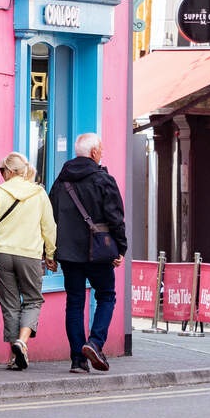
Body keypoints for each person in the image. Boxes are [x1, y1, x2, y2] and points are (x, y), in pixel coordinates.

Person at [50, 132, 128, 373]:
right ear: (94, 153)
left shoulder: (61, 181)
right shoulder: (103, 180)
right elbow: (116, 218)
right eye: (101, 149)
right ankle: (94, 342)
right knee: (106, 296)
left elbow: (51, 216)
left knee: (74, 303)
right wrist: (120, 247)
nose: (102, 152)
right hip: (98, 252)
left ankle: (77, 360)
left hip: (68, 252)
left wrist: (51, 250)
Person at [0, 152, 56, 370]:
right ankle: (22, 342)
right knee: (33, 300)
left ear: (10, 172)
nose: (2, 174)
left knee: (10, 304)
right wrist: (50, 254)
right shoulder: (38, 194)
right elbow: (49, 228)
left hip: (2, 253)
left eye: (3, 170)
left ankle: (15, 356)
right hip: (30, 254)